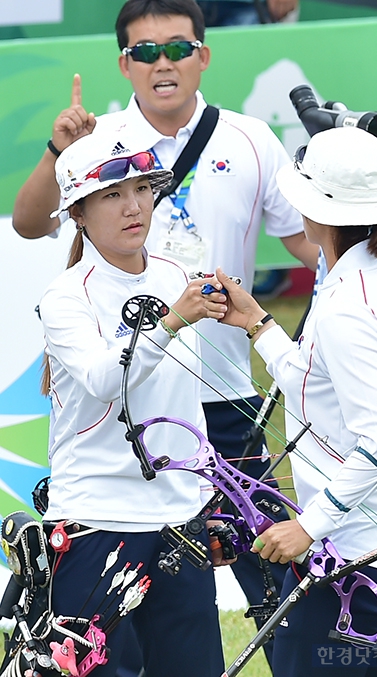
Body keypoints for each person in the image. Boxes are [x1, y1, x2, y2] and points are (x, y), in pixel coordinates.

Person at [12, 0, 319, 667]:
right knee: (113, 642)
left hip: (224, 404)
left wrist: (361, 244)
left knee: (277, 581)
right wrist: (61, 146)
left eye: (178, 48)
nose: (163, 64)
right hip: (124, 437)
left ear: (204, 54)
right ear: (124, 63)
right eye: (145, 52)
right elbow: (31, 223)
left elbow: (309, 243)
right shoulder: (102, 140)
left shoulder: (248, 139)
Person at [214, 126, 377, 676]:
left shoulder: (347, 306)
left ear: (322, 212)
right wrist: (258, 324)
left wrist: (307, 526)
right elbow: (319, 383)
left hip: (357, 570)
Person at [37, 128, 230, 677]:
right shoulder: (65, 296)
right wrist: (171, 321)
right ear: (78, 212)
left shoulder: (174, 275)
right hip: (98, 521)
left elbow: (185, 403)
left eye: (142, 189)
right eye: (111, 195)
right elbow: (103, 378)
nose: (133, 206)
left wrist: (206, 497)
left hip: (178, 518)